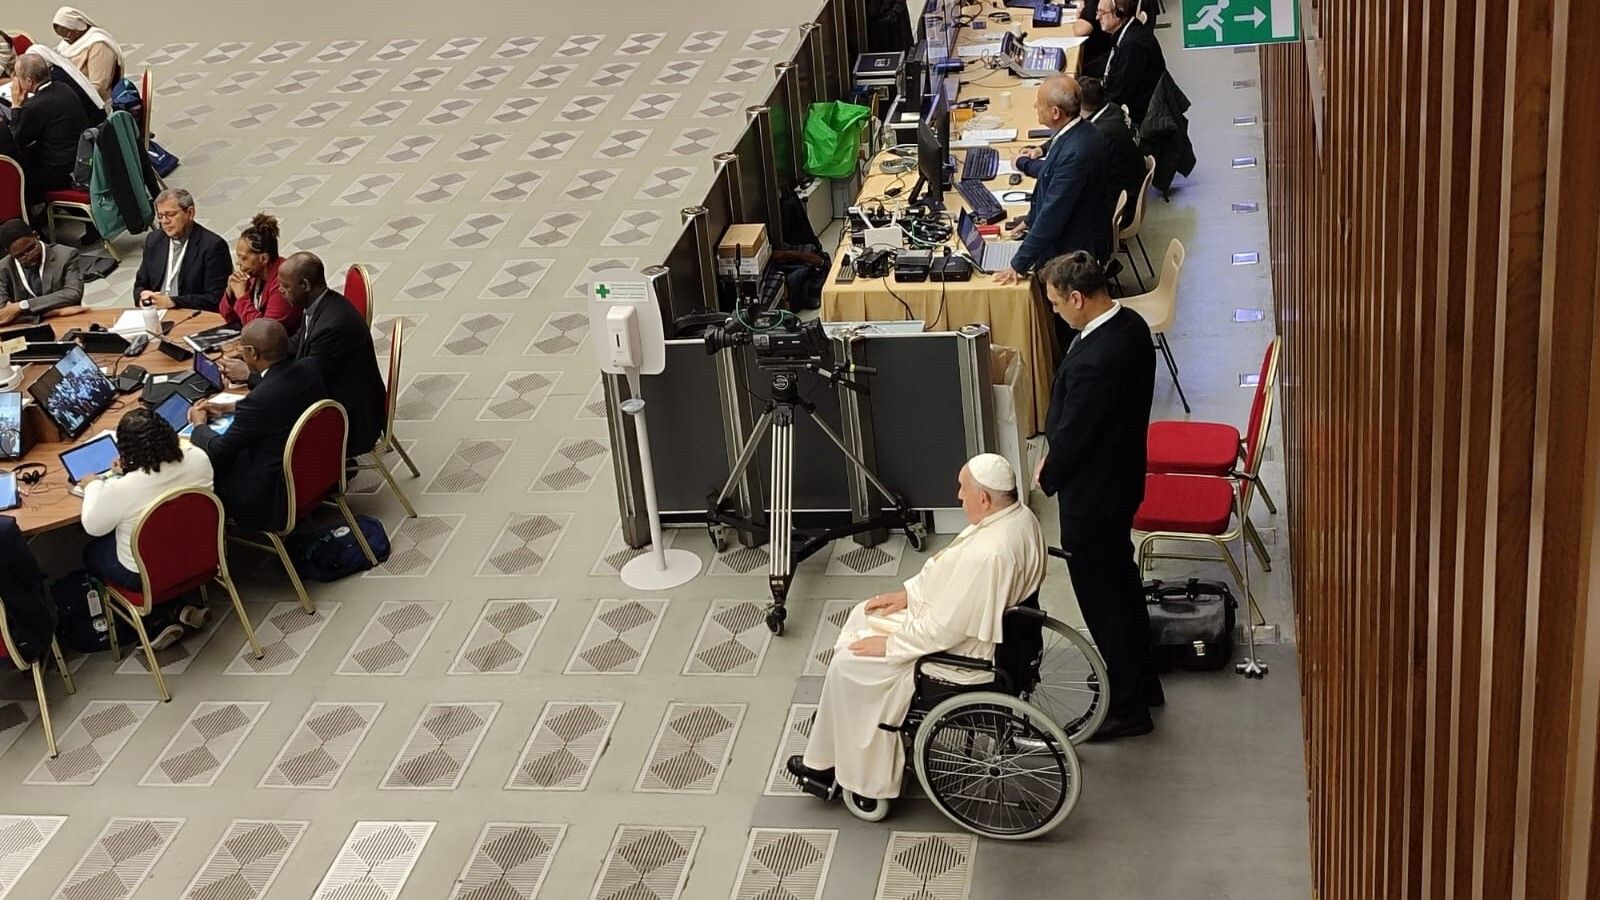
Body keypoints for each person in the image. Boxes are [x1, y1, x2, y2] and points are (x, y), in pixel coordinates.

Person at [788, 454, 1046, 801]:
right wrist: (908, 594)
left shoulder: (989, 553)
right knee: (862, 614)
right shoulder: (1019, 517)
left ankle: (853, 774)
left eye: (963, 489)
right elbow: (950, 580)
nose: (958, 495)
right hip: (998, 637)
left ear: (984, 498)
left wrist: (893, 646)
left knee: (849, 664)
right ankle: (841, 727)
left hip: (961, 656)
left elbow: (946, 631)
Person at [1034, 252, 1158, 740]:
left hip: (1094, 496)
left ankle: (1127, 705)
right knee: (1122, 584)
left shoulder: (1096, 363)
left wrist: (1044, 478)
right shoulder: (1128, 324)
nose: (1055, 311)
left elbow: (1077, 434)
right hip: (1121, 480)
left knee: (1103, 598)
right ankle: (1141, 678)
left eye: (1056, 303)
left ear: (1079, 298)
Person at [217, 252, 385, 456]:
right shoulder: (319, 305)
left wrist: (250, 374)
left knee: (262, 438)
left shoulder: (332, 327)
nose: (280, 291)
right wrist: (254, 353)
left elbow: (305, 388)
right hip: (339, 397)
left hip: (351, 421)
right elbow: (297, 344)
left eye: (286, 287)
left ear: (305, 285)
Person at [80, 408, 214, 651]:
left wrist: (93, 485)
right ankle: (178, 608)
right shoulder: (199, 457)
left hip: (145, 573)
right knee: (163, 539)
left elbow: (93, 526)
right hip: (203, 553)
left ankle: (155, 621)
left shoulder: (122, 490)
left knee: (93, 552)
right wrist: (131, 470)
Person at [189, 318, 327, 531]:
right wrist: (230, 407)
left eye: (242, 349)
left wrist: (199, 427)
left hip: (272, 496)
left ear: (252, 353)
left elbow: (219, 451)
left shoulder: (258, 402)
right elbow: (279, 393)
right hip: (316, 471)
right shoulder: (309, 368)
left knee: (199, 472)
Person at [995, 77, 1111, 286]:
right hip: (1078, 231)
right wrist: (1030, 220)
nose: (1034, 106)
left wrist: (1018, 264)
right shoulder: (1082, 131)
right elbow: (1052, 179)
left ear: (1056, 113)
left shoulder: (1076, 152)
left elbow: (1053, 214)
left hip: (1073, 254)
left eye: (1039, 103)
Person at [6, 54, 90, 205]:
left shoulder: (34, 107)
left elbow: (15, 140)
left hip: (61, 171)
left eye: (17, 76)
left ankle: (32, 221)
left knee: (13, 176)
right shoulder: (63, 87)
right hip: (79, 159)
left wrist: (16, 106)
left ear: (29, 81)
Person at [132, 189, 231, 311]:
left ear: (190, 213)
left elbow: (215, 299)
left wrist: (172, 301)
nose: (165, 221)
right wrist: (143, 295)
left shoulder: (213, 246)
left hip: (190, 313)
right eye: (160, 216)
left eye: (171, 215)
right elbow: (140, 284)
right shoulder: (153, 240)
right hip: (155, 311)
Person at [1080, 77, 1146, 229]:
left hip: (1120, 206)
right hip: (1128, 187)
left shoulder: (1100, 134)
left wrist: (1026, 164)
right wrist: (1041, 149)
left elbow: (1074, 170)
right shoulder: (1112, 108)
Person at [218, 213, 300, 331]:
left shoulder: (283, 282)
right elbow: (228, 316)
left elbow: (265, 332)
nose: (238, 263)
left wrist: (241, 297)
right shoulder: (253, 276)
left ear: (263, 259)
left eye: (243, 258)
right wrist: (230, 292)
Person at [1096, 0, 1166, 125]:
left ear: (1119, 14)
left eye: (1102, 13)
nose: (1097, 17)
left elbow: (1119, 95)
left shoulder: (1132, 45)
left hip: (1140, 116)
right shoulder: (1129, 30)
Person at [0, 218, 81, 323]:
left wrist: (22, 306)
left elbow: (73, 293)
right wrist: (53, 313)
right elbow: (3, 314)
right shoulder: (3, 268)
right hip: (28, 326)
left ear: (36, 235)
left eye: (31, 248)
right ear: (9, 253)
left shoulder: (66, 255)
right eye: (20, 256)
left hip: (66, 320)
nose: (28, 257)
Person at [50, 7, 121, 102]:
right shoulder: (66, 44)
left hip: (90, 103)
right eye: (62, 35)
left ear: (77, 26)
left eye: (67, 32)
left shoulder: (98, 45)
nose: (67, 38)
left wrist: (66, 98)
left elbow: (98, 87)